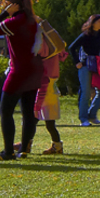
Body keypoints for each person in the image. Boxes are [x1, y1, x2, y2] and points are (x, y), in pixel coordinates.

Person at [0, 0, 42, 160]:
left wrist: (4, 14)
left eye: (5, 3)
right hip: (34, 70)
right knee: (27, 111)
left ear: (12, 4)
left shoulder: (14, 22)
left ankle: (8, 152)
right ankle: (24, 149)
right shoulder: (32, 19)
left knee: (5, 111)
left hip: (19, 72)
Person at [68, 14, 100, 126]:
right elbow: (72, 47)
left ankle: (92, 115)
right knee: (86, 93)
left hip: (97, 66)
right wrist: (77, 62)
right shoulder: (85, 35)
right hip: (85, 66)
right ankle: (83, 119)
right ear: (93, 23)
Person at [34, 16, 69, 155]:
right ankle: (54, 144)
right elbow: (62, 53)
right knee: (43, 117)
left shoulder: (43, 44)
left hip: (44, 81)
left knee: (42, 116)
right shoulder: (55, 44)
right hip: (51, 81)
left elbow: (36, 54)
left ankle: (56, 145)